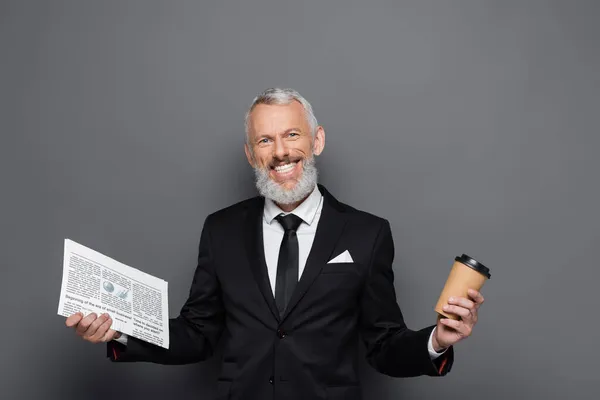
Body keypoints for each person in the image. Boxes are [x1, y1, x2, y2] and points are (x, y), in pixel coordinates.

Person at [66, 88, 485, 400]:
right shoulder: (221, 230)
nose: (280, 152)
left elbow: (384, 346)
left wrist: (437, 341)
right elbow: (198, 333)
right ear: (251, 154)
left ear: (316, 140)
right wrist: (121, 331)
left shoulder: (367, 234)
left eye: (291, 135)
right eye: (265, 140)